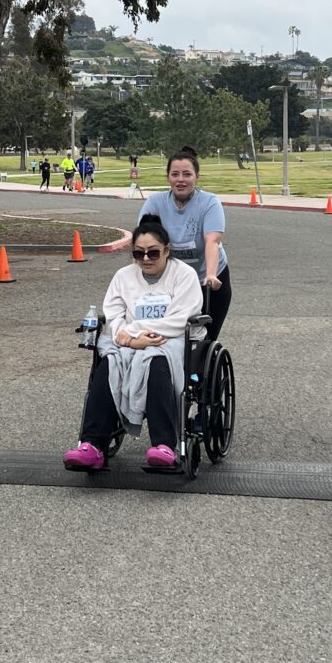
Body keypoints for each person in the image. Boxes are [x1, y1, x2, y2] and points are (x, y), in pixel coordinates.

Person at [63, 214, 203, 471]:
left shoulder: (184, 275)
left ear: (167, 251)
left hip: (169, 339)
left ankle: (164, 445)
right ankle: (92, 444)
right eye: (139, 254)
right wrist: (125, 337)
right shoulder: (123, 277)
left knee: (157, 360)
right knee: (110, 361)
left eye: (153, 253)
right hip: (128, 342)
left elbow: (180, 318)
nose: (146, 259)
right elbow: (113, 314)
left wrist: (136, 334)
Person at [138, 145, 231, 340]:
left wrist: (211, 275)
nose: (180, 180)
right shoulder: (156, 202)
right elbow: (143, 242)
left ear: (197, 176)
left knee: (203, 340)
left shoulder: (209, 203)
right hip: (170, 281)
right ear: (168, 177)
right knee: (165, 336)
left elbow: (212, 241)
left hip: (207, 279)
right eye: (175, 174)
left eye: (187, 174)